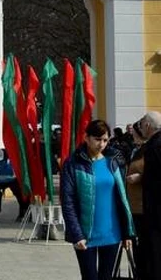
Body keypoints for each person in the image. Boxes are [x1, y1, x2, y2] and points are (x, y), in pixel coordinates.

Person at [61, 120, 135, 280]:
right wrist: (76, 234)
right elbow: (68, 202)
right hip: (86, 235)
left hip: (112, 234)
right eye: (97, 139)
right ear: (86, 138)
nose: (101, 144)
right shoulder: (72, 164)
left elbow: (122, 199)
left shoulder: (113, 162)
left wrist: (127, 233)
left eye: (105, 140)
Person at [139, 111, 161, 279]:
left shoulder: (154, 146)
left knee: (154, 257)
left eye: (141, 125)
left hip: (155, 210)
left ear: (147, 126)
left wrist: (142, 177)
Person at [124, 121, 146, 278]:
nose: (131, 134)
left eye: (133, 132)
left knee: (143, 249)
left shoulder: (150, 150)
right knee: (137, 250)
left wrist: (140, 177)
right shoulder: (135, 150)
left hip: (143, 206)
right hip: (134, 205)